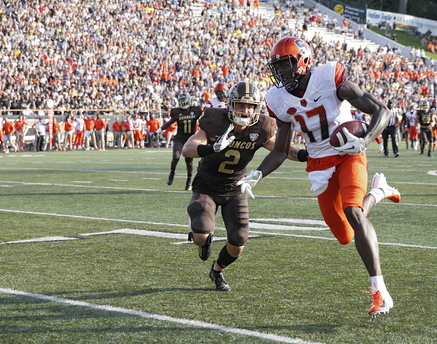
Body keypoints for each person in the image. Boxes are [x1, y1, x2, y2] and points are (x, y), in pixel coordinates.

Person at [239, 37, 402, 317]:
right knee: (344, 235)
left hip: (349, 152)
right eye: (277, 68)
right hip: (318, 162)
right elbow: (280, 151)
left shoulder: (331, 78)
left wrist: (364, 142)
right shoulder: (277, 99)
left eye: (286, 66)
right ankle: (378, 191)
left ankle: (380, 292)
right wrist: (256, 174)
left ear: (303, 61)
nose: (282, 74)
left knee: (353, 211)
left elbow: (382, 111)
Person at [181, 81, 307, 292]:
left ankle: (217, 271)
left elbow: (283, 149)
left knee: (238, 243)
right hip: (207, 186)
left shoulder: (262, 126)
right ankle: (201, 239)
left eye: (250, 106)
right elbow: (188, 148)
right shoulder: (215, 120)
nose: (246, 110)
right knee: (201, 234)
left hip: (236, 187)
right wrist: (212, 147)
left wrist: (305, 155)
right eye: (241, 105)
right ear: (231, 104)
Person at [159, 94, 203, 190]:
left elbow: (205, 116)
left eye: (184, 99)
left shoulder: (195, 110)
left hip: (190, 139)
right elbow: (169, 123)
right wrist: (158, 131)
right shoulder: (177, 112)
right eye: (181, 100)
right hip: (179, 138)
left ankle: (189, 181)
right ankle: (172, 172)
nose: (183, 102)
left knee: (189, 163)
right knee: (176, 157)